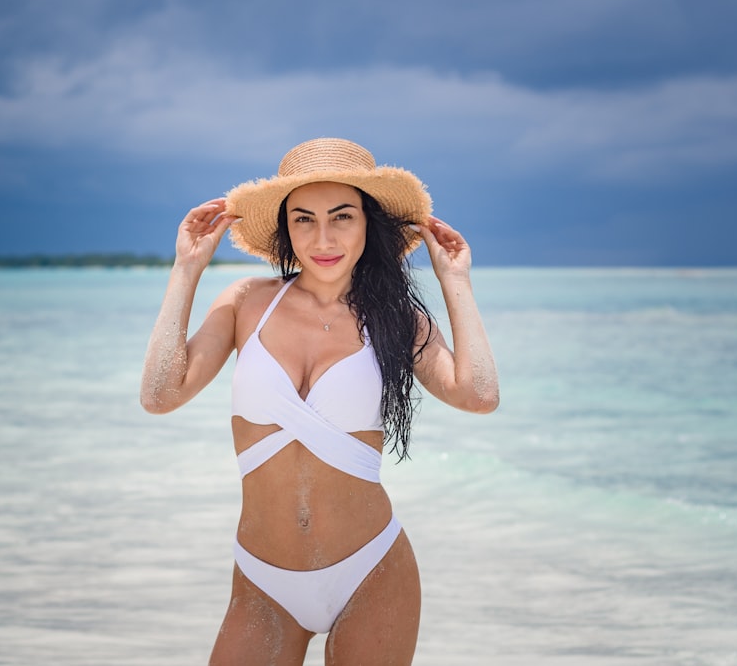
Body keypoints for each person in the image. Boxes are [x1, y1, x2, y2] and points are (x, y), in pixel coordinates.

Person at [141, 137, 499, 665]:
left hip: (372, 570)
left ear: (367, 224)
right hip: (263, 583)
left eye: (342, 216)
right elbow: (160, 394)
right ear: (285, 228)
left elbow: (478, 395)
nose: (323, 237)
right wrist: (185, 270)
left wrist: (456, 282)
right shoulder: (247, 303)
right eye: (304, 219)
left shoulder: (398, 319)